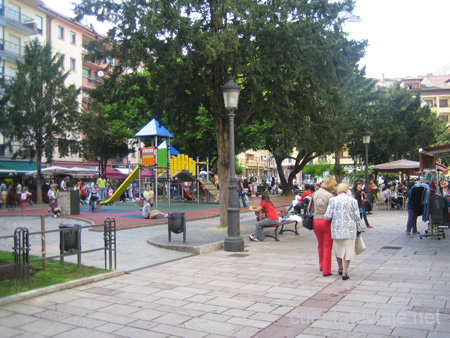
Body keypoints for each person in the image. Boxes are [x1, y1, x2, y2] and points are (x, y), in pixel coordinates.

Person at [324, 183, 362, 280]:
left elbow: (327, 216)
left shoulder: (333, 200)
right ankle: (345, 272)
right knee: (348, 251)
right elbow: (357, 217)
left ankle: (340, 268)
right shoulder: (353, 201)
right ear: (346, 190)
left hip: (337, 229)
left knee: (339, 250)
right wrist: (359, 229)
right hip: (350, 229)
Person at [311, 177, 337, 277]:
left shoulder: (315, 193)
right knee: (327, 246)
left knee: (320, 244)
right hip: (326, 221)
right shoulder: (330, 196)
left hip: (316, 220)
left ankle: (321, 265)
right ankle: (326, 270)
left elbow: (312, 207)